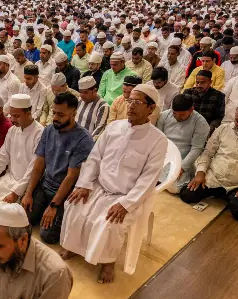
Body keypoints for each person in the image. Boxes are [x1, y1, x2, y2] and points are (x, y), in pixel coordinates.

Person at [61, 85, 167, 283]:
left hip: (125, 196)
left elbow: (149, 179)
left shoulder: (158, 140)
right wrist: (84, 184)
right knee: (74, 205)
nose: (131, 106)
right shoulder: (114, 127)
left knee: (109, 223)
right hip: (99, 187)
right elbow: (95, 158)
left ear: (151, 109)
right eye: (129, 101)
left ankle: (107, 262)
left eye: (138, 102)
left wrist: (126, 204)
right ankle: (74, 247)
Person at [22, 92, 93, 245]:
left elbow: (71, 177)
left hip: (65, 193)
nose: (55, 118)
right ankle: (43, 209)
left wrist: (54, 206)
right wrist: (28, 193)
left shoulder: (83, 139)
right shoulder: (49, 130)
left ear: (74, 114)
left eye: (60, 115)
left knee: (47, 236)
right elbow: (39, 163)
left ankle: (57, 213)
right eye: (54, 112)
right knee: (21, 220)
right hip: (45, 185)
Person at [0, 94, 44, 209]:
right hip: (10, 178)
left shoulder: (40, 133)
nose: (12, 120)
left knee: (4, 211)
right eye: (11, 116)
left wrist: (15, 193)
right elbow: (2, 157)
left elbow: (34, 168)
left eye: (16, 116)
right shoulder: (13, 130)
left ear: (28, 113)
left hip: (26, 183)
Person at [155, 93, 210, 194]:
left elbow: (196, 148)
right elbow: (158, 139)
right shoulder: (165, 115)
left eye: (181, 115)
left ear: (191, 109)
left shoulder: (201, 123)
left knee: (174, 189)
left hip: (182, 158)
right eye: (175, 113)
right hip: (164, 155)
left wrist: (182, 167)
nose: (177, 117)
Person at [75, 75, 109, 140]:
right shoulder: (79, 100)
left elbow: (99, 130)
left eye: (85, 92)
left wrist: (86, 144)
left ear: (94, 90)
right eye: (80, 92)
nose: (82, 95)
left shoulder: (103, 106)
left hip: (87, 143)